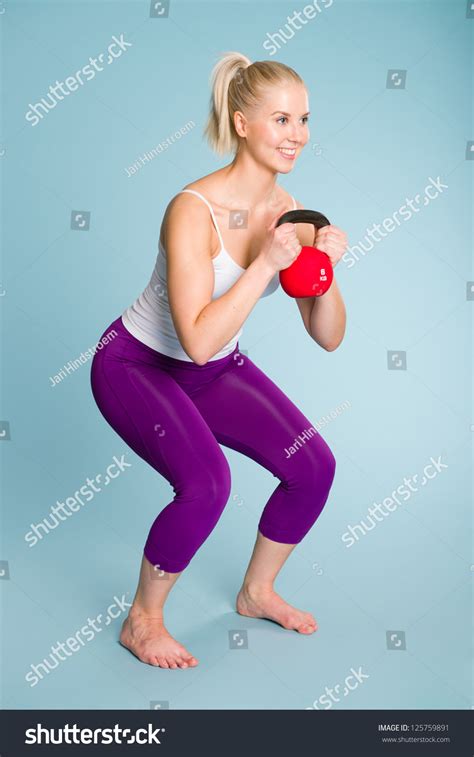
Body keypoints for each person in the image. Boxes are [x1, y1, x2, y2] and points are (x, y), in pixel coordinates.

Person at [90, 51, 347, 670]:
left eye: (304, 120)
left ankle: (257, 592)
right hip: (136, 365)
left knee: (313, 465)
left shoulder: (293, 214)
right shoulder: (191, 211)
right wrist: (264, 261)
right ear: (241, 123)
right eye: (281, 120)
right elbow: (196, 339)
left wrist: (325, 269)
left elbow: (328, 335)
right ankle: (141, 620)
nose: (297, 136)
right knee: (206, 485)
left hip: (214, 371)